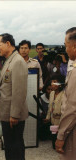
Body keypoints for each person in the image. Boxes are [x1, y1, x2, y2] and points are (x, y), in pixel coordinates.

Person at [0, 33, 28, 160]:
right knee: (9, 146)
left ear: (8, 44)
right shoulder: (10, 60)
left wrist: (14, 114)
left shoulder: (17, 61)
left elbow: (19, 91)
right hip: (7, 113)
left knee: (15, 147)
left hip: (13, 116)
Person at [55, 27, 76, 160]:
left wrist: (61, 135)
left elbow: (72, 108)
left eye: (66, 45)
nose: (65, 49)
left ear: (74, 46)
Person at [44, 75, 65, 149]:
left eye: (55, 82)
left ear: (60, 85)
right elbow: (50, 106)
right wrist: (48, 117)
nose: (52, 84)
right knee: (54, 143)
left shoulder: (64, 94)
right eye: (52, 82)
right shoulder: (52, 93)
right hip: (53, 120)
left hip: (61, 121)